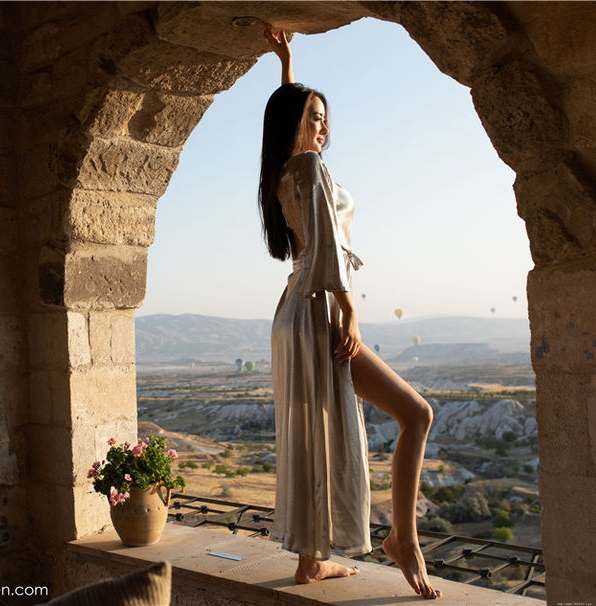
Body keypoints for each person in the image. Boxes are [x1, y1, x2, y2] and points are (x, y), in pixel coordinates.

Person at [260, 24, 441, 599]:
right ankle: (403, 541)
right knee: (417, 415)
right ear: (295, 125)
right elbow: (331, 251)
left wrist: (287, 68)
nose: (322, 125)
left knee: (314, 429)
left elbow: (288, 136)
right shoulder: (308, 169)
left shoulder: (284, 171)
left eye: (324, 117)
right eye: (313, 117)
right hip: (319, 306)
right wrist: (351, 315)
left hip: (295, 307)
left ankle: (312, 561)